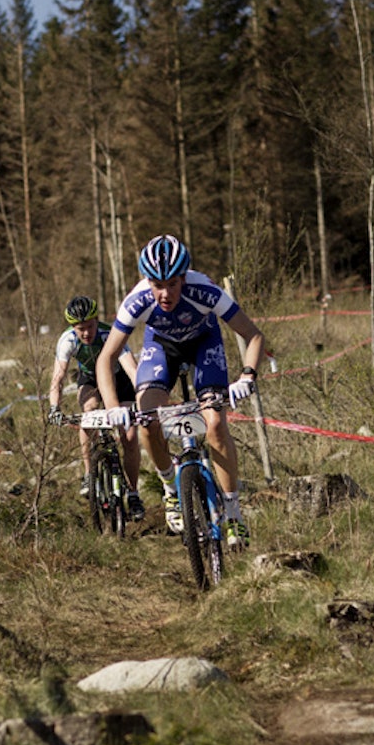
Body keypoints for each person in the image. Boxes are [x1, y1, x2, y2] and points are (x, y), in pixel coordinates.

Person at [96, 234, 264, 547]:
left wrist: (247, 377)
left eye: (172, 284)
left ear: (184, 278)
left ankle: (233, 515)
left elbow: (253, 335)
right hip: (162, 349)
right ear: (147, 281)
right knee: (148, 420)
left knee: (214, 425)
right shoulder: (137, 301)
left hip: (204, 344)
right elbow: (106, 358)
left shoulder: (205, 291)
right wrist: (112, 406)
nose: (165, 293)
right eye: (157, 285)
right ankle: (171, 491)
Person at [48, 295, 146, 519]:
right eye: (80, 329)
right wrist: (55, 407)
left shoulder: (110, 334)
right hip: (90, 379)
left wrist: (142, 399)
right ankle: (88, 474)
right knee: (88, 412)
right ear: (73, 327)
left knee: (129, 437)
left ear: (96, 321)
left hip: (118, 380)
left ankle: (133, 493)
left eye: (90, 326)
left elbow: (131, 369)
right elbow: (59, 377)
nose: (86, 333)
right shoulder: (67, 341)